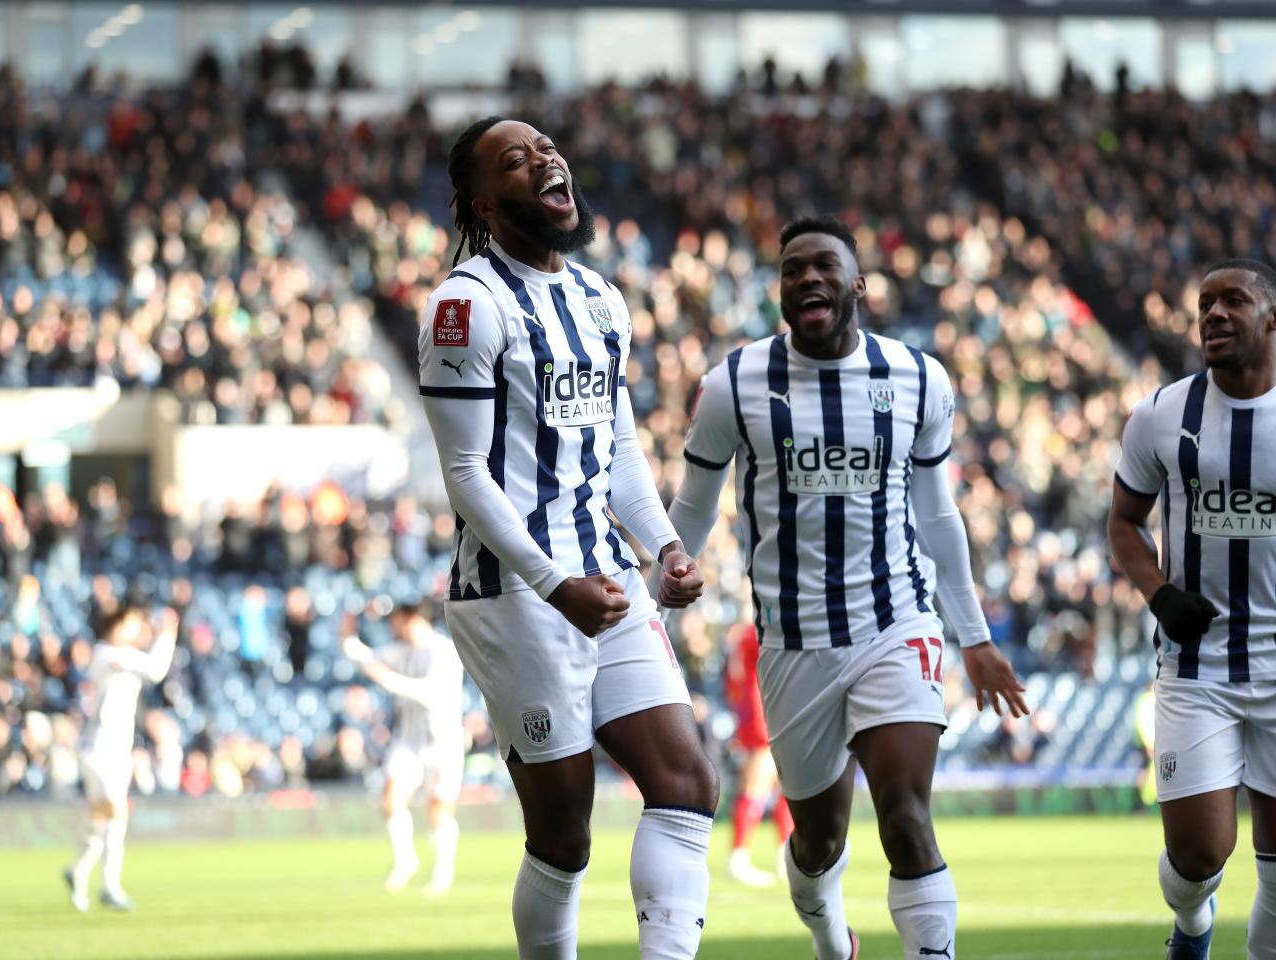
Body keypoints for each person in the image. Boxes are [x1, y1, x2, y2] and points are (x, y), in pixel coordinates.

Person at [662, 215, 1027, 960]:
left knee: (905, 814)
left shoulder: (919, 378)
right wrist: (669, 569)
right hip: (794, 646)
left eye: (824, 264)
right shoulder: (733, 383)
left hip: (896, 624)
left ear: (858, 283)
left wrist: (975, 637)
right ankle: (835, 940)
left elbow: (936, 511)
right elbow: (696, 503)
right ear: (781, 290)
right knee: (818, 843)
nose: (807, 278)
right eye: (792, 269)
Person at [417, 116, 719, 960]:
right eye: (516, 159)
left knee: (687, 782)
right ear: (482, 200)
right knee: (564, 833)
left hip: (608, 583)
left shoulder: (598, 297)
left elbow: (616, 447)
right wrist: (556, 585)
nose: (545, 159)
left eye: (547, 148)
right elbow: (466, 474)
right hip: (518, 597)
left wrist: (664, 548)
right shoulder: (464, 306)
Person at [1108, 258, 1276, 960]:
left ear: (1271, 318)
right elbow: (1123, 522)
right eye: (1205, 303)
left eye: (1233, 301)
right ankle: (1192, 924)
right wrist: (1160, 593)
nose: (1213, 314)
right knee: (1201, 855)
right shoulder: (1161, 414)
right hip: (1197, 664)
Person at [341, 602, 465, 896]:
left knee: (438, 809)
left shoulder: (444, 651)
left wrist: (387, 679)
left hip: (444, 742)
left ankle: (442, 872)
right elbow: (366, 658)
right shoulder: (402, 651)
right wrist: (347, 633)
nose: (392, 628)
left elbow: (430, 693)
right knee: (391, 800)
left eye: (397, 621)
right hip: (409, 740)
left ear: (412, 619)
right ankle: (405, 860)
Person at [64, 603, 178, 912]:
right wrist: (167, 634)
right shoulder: (106, 654)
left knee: (102, 819)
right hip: (99, 748)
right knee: (115, 813)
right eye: (132, 622)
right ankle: (109, 886)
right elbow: (156, 669)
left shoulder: (124, 659)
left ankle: (78, 870)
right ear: (115, 626)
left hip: (118, 749)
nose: (137, 629)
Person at [722, 620, 793, 887]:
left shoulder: (745, 633)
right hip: (763, 713)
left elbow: (733, 680)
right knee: (756, 788)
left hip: (758, 712)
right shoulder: (761, 629)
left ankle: (785, 854)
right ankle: (738, 857)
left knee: (783, 786)